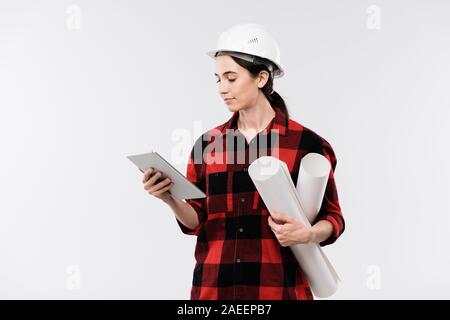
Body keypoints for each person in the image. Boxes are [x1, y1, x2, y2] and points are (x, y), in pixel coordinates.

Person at [141, 23, 345, 300]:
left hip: (279, 292)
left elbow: (333, 218)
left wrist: (307, 234)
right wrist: (169, 198)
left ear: (261, 78)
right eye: (218, 79)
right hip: (214, 291)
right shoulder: (207, 145)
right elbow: (197, 220)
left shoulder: (307, 144)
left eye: (231, 78)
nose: (222, 88)